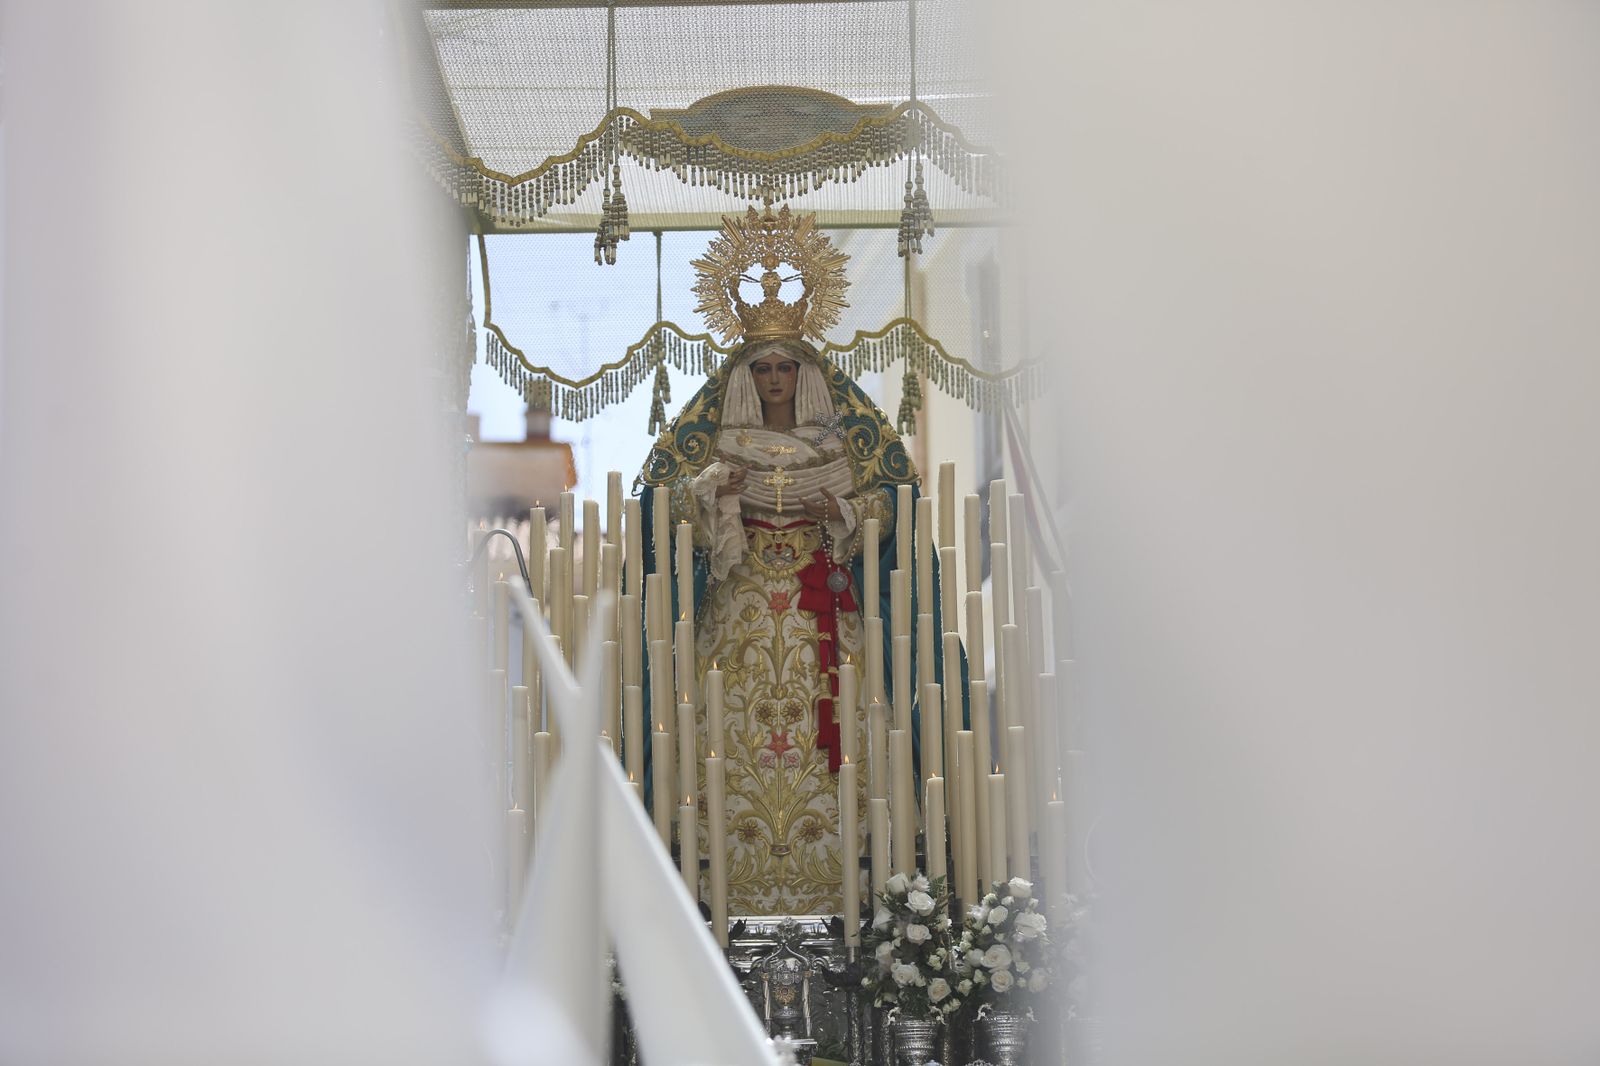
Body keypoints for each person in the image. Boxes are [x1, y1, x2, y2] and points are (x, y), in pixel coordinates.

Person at [637, 204, 933, 915]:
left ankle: (851, 892)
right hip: (738, 621)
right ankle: (716, 893)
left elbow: (889, 505)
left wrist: (843, 513)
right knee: (723, 740)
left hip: (820, 622)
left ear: (805, 374)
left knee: (846, 746)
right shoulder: (716, 451)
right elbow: (663, 510)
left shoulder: (840, 447)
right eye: (763, 368)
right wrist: (711, 497)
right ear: (746, 377)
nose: (774, 379)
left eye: (785, 368)